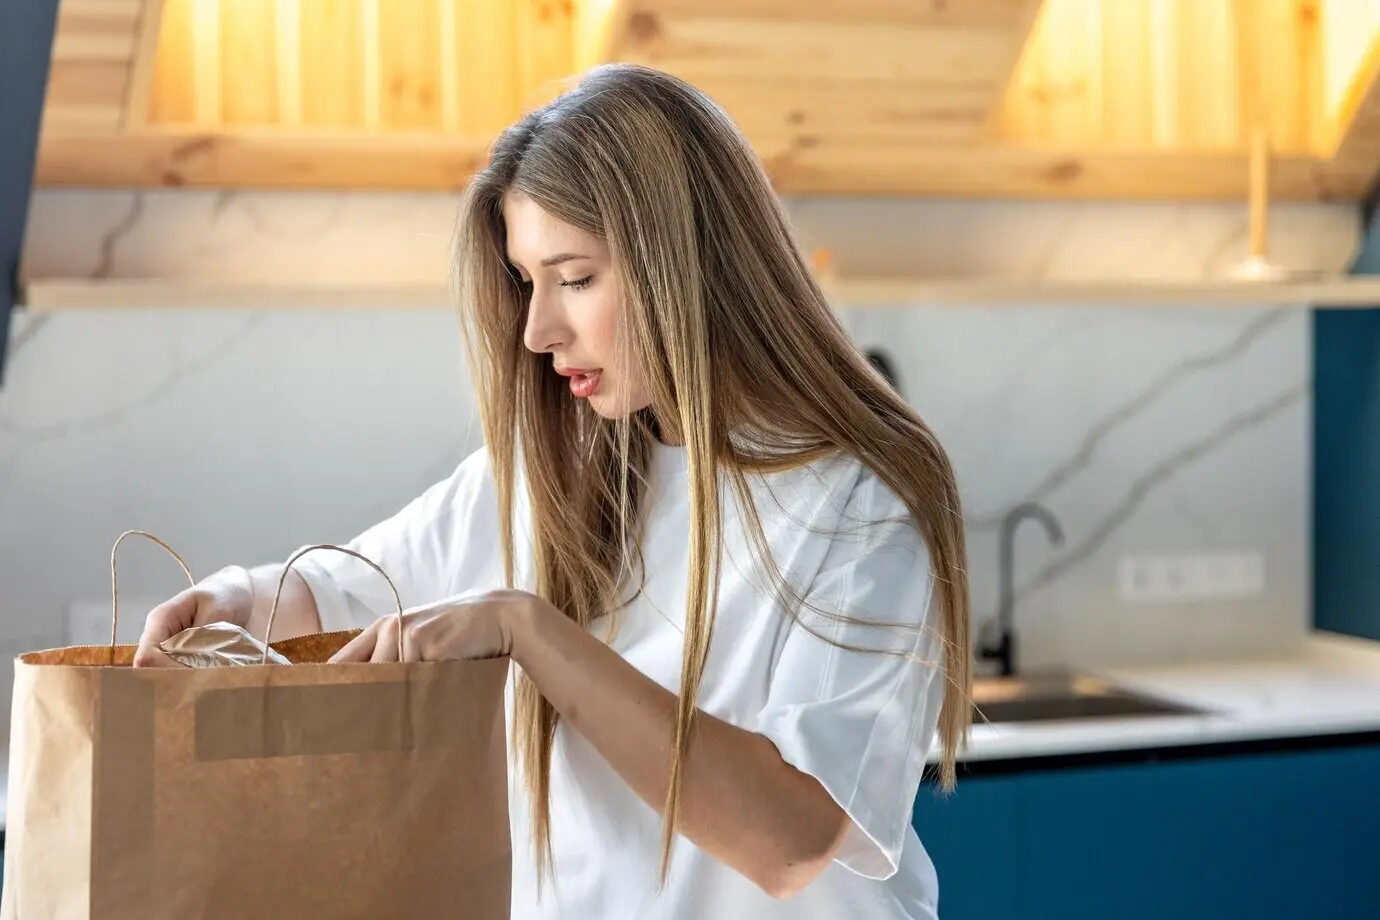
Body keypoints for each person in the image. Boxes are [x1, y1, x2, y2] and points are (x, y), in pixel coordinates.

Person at [135, 63, 972, 920]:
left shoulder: (860, 502)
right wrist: (230, 596)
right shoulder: (548, 476)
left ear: (690, 261)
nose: (538, 330)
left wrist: (528, 630)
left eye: (573, 278)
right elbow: (341, 591)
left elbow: (790, 839)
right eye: (526, 282)